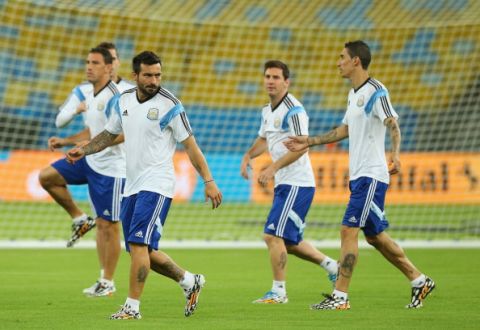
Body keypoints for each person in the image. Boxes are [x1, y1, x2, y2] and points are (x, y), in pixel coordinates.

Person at [66, 51, 222, 320]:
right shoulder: (123, 100)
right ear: (135, 75)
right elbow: (110, 133)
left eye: (158, 75)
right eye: (148, 75)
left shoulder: (170, 104)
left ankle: (132, 307)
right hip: (132, 186)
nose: (154, 80)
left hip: (157, 184)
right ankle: (189, 280)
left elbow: (192, 147)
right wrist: (86, 150)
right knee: (144, 250)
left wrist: (208, 181)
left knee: (138, 245)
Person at [284, 40, 435, 310]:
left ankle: (340, 297)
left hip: (371, 175)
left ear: (356, 61)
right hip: (360, 177)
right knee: (375, 236)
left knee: (347, 230)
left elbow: (393, 123)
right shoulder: (354, 95)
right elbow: (343, 130)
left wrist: (397, 154)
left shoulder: (376, 91)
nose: (338, 62)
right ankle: (419, 280)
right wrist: (308, 141)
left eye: (342, 57)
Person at [240, 60, 338, 305]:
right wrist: (248, 156)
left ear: (287, 82)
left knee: (271, 236)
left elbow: (302, 146)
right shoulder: (267, 110)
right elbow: (263, 140)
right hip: (286, 184)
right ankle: (333, 266)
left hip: (298, 183)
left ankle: (279, 292)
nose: (270, 81)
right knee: (290, 243)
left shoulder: (294, 110)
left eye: (275, 77)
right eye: (267, 76)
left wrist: (272, 167)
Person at [39, 47, 125, 297]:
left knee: (109, 226)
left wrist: (86, 148)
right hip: (91, 160)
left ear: (109, 68)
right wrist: (67, 142)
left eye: (95, 63)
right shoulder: (93, 96)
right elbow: (94, 130)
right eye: (87, 62)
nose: (89, 66)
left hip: (111, 169)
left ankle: (107, 282)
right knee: (47, 177)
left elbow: (123, 133)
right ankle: (79, 218)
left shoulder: (115, 97)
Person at [56, 41, 134, 129]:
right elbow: (59, 122)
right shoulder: (83, 90)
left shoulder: (132, 90)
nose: (109, 64)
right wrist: (75, 111)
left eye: (112, 59)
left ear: (119, 62)